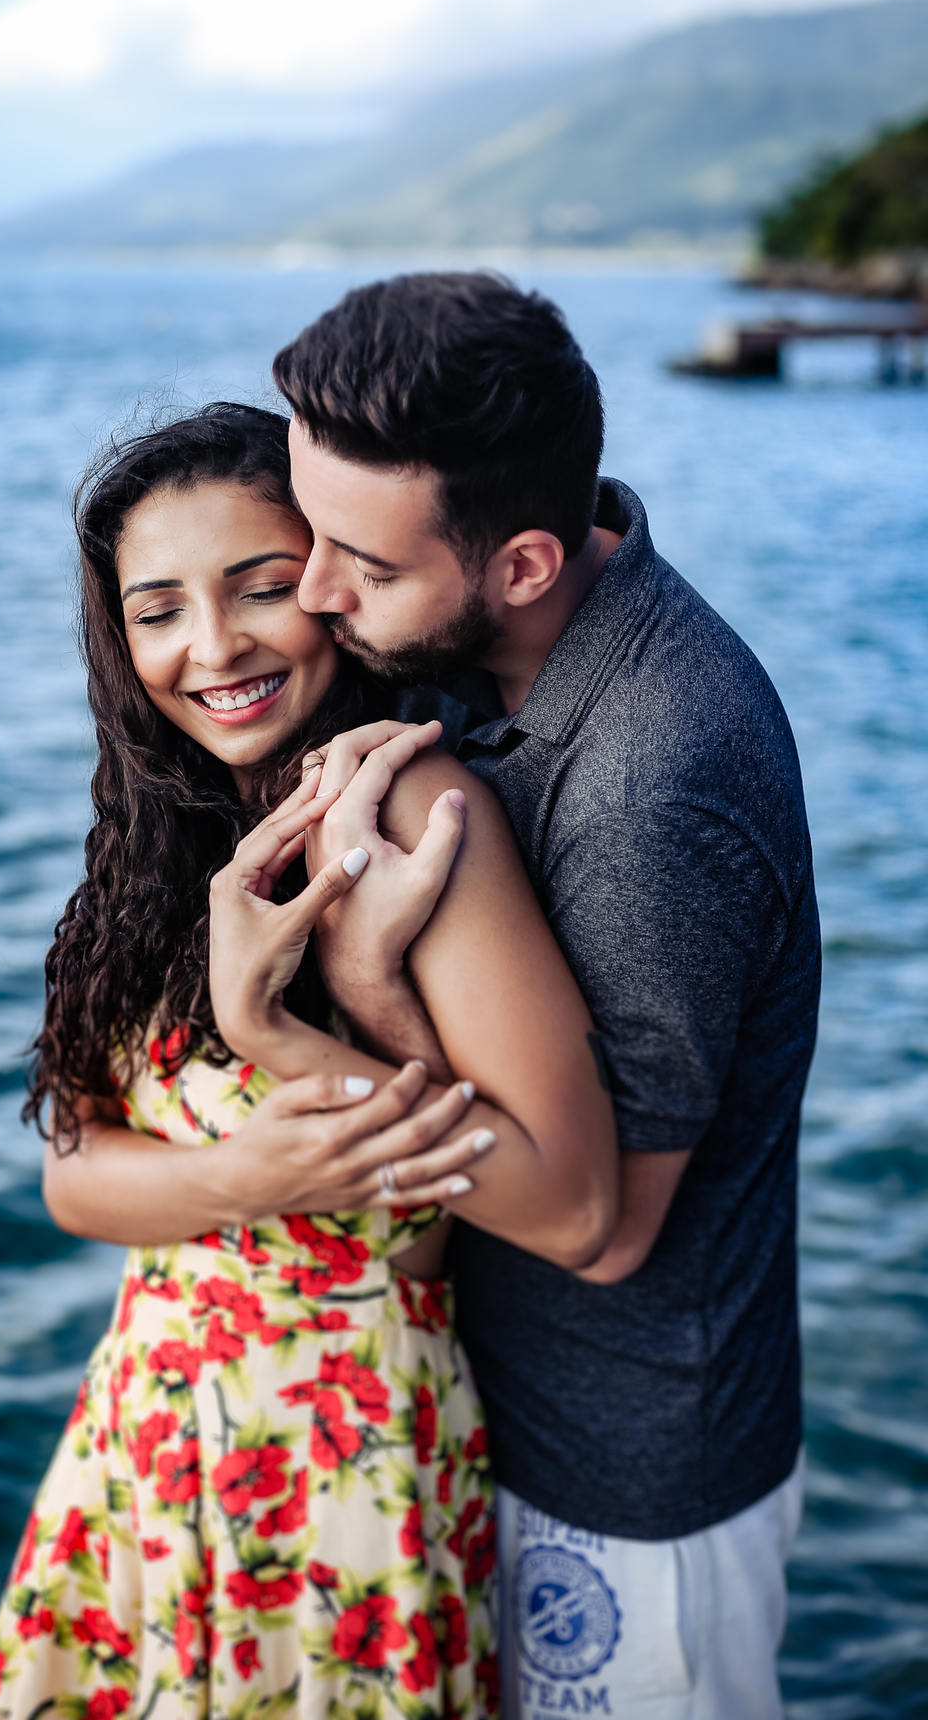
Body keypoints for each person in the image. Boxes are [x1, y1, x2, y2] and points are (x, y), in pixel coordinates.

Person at [0, 403, 619, 1720]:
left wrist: (288, 1032)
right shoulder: (159, 835)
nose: (212, 649)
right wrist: (244, 1175)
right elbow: (76, 1176)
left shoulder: (415, 818)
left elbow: (568, 1207)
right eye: (157, 610)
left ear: (335, 585)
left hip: (341, 1468)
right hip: (151, 1442)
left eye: (261, 588)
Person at [263, 271, 821, 1719]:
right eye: (308, 530)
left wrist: (365, 990)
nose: (316, 593)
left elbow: (606, 1227)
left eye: (362, 568)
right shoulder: (513, 627)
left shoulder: (656, 780)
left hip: (632, 1490)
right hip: (496, 1425)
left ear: (519, 563)